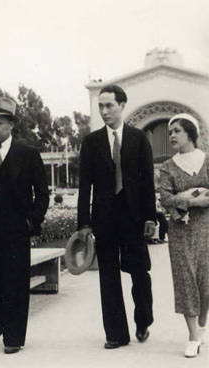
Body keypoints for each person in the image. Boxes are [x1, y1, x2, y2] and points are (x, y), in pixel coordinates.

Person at [77, 84, 156, 349]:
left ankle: (143, 319)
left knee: (139, 273)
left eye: (109, 105)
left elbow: (147, 183)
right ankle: (116, 334)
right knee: (108, 276)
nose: (104, 111)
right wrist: (84, 224)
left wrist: (150, 217)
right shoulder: (91, 142)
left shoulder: (138, 138)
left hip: (134, 218)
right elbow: (84, 186)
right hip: (104, 219)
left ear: (122, 105)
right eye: (100, 106)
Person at [0, 96, 49, 354]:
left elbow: (42, 194)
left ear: (11, 125)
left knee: (14, 283)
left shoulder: (27, 154)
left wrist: (30, 222)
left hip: (16, 231)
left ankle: (13, 337)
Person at [159, 113, 209, 358]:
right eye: (170, 132)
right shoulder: (167, 167)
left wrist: (188, 199)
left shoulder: (207, 160)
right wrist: (194, 197)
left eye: (176, 131)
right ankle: (192, 336)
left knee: (206, 282)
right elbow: (166, 199)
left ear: (190, 132)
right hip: (180, 231)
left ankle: (201, 326)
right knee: (185, 281)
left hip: (207, 229)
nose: (172, 136)